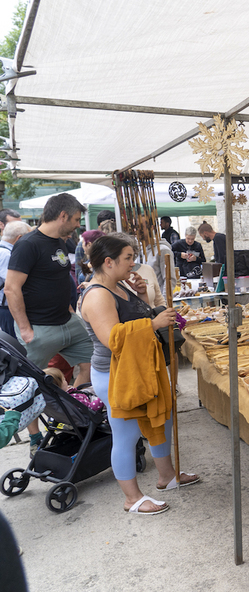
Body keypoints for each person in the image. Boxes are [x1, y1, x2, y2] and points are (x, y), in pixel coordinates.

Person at [80, 235, 198, 515]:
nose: (134, 263)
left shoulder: (120, 286)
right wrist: (153, 323)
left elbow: (135, 318)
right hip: (115, 374)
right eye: (128, 258)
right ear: (108, 263)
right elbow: (113, 339)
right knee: (127, 433)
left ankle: (167, 476)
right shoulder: (97, 295)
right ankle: (131, 498)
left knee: (161, 420)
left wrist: (144, 297)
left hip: (140, 369)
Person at [5, 193, 95, 456]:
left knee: (97, 361)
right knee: (28, 384)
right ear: (63, 215)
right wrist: (24, 328)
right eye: (77, 219)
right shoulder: (29, 244)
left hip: (67, 321)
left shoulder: (61, 242)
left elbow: (58, 278)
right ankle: (35, 438)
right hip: (39, 328)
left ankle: (77, 413)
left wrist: (69, 309)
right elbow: (12, 289)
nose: (78, 225)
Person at [0, 222, 32, 336]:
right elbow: (13, 285)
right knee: (16, 347)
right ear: (19, 238)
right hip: (8, 309)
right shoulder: (7, 255)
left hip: (6, 308)